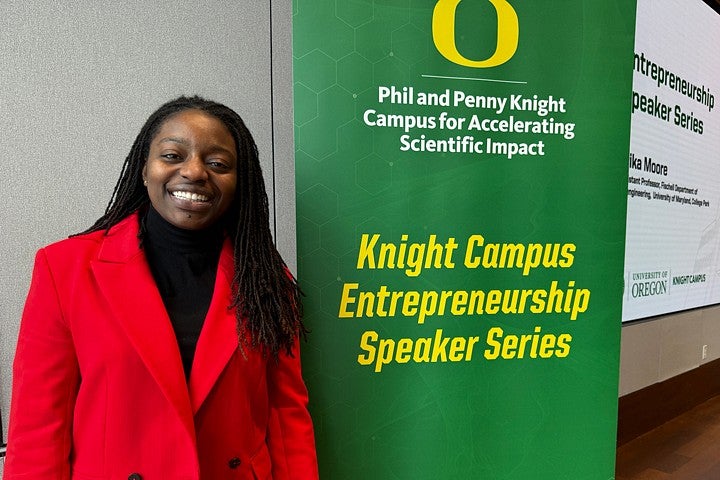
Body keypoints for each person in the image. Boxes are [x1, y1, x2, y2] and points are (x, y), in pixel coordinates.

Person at [4, 96, 319, 479]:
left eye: (218, 163)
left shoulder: (267, 282)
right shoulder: (65, 269)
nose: (194, 172)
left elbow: (287, 420)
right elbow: (38, 429)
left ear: (240, 183)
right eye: (172, 155)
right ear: (143, 168)